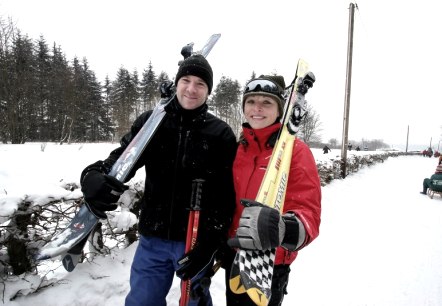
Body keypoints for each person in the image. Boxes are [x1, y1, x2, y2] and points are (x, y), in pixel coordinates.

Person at [80, 54, 237, 306]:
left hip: (194, 239)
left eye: (200, 83)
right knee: (142, 301)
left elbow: (226, 195)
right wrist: (94, 174)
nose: (191, 89)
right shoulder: (153, 122)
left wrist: (209, 245)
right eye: (185, 80)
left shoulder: (220, 134)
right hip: (153, 238)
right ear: (177, 83)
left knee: (195, 302)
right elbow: (123, 159)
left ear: (209, 91)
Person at [223, 75, 322, 306]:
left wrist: (283, 228)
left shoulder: (296, 152)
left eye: (266, 103)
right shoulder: (238, 150)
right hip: (234, 256)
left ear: (279, 110)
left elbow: (308, 213)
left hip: (270, 264)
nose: (257, 108)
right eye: (251, 102)